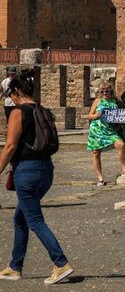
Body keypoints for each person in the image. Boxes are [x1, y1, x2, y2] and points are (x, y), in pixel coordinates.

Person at [0, 76, 74, 284]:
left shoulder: (18, 112)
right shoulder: (43, 111)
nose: (10, 99)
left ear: (15, 91)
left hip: (27, 171)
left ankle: (61, 263)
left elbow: (10, 146)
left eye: (10, 95)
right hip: (45, 169)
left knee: (34, 220)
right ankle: (15, 266)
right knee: (20, 218)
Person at [86, 83, 125, 186]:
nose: (104, 93)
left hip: (110, 130)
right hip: (96, 129)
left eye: (106, 91)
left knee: (121, 145)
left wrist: (118, 126)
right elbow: (89, 116)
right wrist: (96, 115)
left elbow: (121, 115)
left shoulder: (115, 101)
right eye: (102, 91)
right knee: (96, 153)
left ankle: (124, 169)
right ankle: (100, 179)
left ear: (111, 91)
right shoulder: (98, 101)